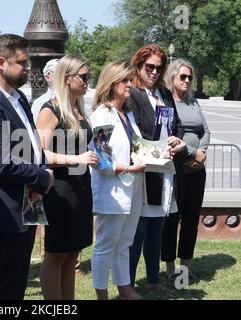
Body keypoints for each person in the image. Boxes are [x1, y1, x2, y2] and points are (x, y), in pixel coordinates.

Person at [0, 34, 54, 300]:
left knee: (15, 281)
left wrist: (42, 165)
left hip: (23, 205)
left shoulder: (18, 98)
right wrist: (40, 176)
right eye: (22, 63)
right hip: (2, 210)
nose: (28, 68)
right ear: (1, 62)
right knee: (7, 284)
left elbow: (29, 144)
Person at [36, 55, 98, 300]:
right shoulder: (50, 110)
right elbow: (38, 153)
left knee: (72, 253)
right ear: (67, 78)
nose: (87, 82)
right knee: (56, 254)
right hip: (59, 190)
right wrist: (76, 159)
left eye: (88, 76)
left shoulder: (78, 109)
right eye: (84, 77)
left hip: (81, 187)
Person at [126, 44, 187, 291]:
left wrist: (175, 139)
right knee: (139, 229)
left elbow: (177, 125)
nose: (153, 72)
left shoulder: (164, 92)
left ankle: (153, 279)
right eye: (149, 67)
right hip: (143, 169)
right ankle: (127, 284)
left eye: (158, 68)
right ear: (139, 66)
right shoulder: (133, 94)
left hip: (165, 169)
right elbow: (134, 130)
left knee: (157, 226)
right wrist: (159, 146)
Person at [90, 61, 146, 300]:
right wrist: (130, 168)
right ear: (111, 83)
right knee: (105, 245)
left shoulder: (128, 113)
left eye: (130, 80)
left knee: (125, 242)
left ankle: (125, 289)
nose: (130, 85)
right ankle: (102, 295)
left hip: (132, 187)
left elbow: (136, 146)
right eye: (125, 80)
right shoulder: (103, 115)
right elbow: (102, 162)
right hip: (112, 190)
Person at [161, 59, 210, 282]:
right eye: (183, 77)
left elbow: (205, 130)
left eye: (190, 77)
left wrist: (200, 153)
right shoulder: (166, 102)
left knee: (191, 218)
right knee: (172, 218)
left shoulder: (193, 102)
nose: (187, 81)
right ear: (172, 77)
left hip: (197, 169)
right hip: (176, 168)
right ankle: (170, 267)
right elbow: (168, 137)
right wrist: (191, 152)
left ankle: (186, 266)